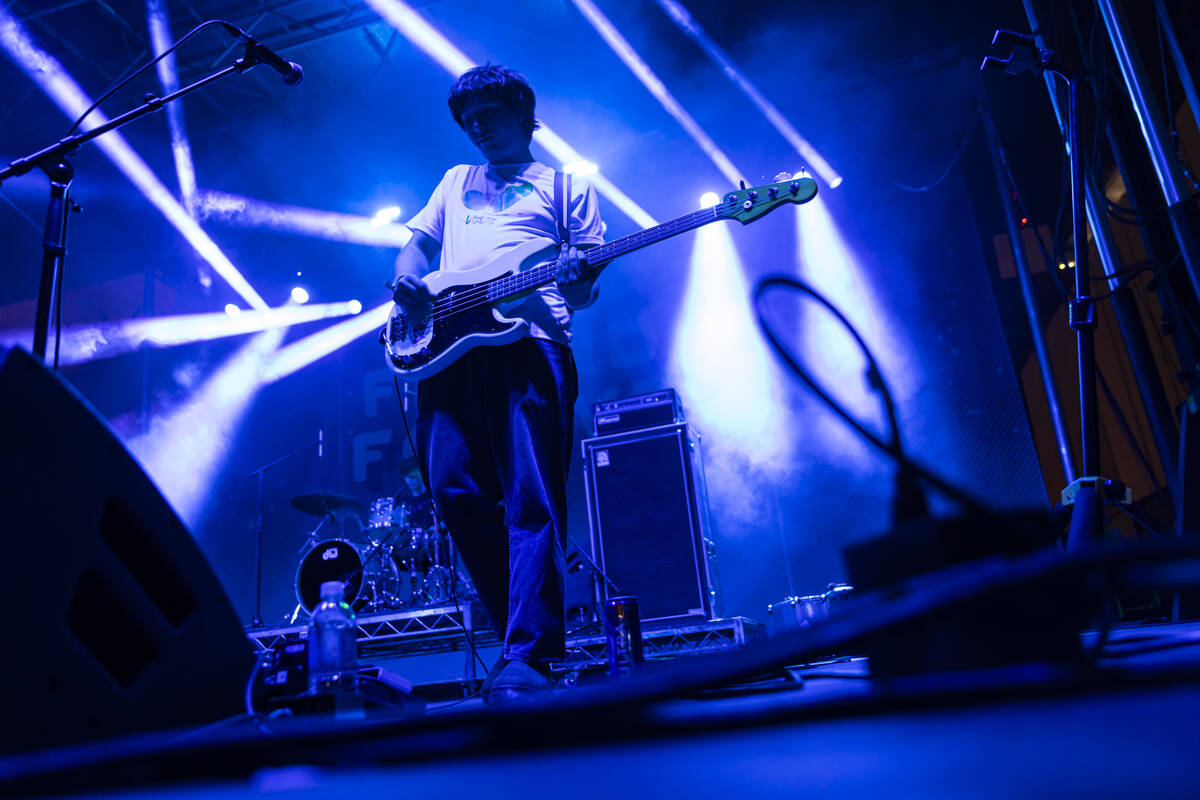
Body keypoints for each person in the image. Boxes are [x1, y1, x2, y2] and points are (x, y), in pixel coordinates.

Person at [390, 64, 605, 703]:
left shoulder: (566, 187)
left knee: (531, 499)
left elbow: (585, 290)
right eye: (467, 119)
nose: (477, 127)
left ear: (523, 113)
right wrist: (407, 285)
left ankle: (529, 656)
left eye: (488, 112)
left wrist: (573, 276)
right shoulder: (456, 182)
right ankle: (518, 636)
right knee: (453, 491)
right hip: (450, 351)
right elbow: (416, 250)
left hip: (531, 347)